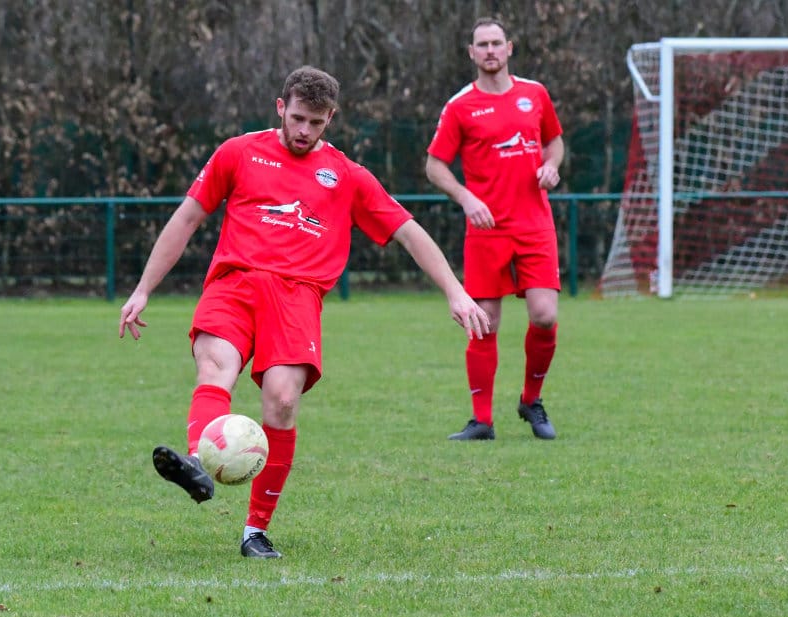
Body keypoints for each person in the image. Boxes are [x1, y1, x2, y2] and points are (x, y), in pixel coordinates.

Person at [118, 66, 490, 559]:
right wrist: (144, 289)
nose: (303, 130)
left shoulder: (347, 176)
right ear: (280, 107)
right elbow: (186, 218)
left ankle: (254, 531)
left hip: (297, 297)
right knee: (215, 365)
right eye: (296, 118)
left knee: (282, 401)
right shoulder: (238, 152)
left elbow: (408, 231)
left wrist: (455, 292)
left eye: (315, 122)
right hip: (234, 284)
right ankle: (196, 464)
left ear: (330, 118)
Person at [425, 17, 565, 441]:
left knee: (545, 316)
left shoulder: (534, 94)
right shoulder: (460, 106)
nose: (490, 50)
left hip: (534, 224)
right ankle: (482, 421)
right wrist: (466, 198)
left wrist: (552, 166)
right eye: (482, 44)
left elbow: (555, 142)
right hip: (486, 229)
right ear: (472, 53)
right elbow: (434, 166)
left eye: (496, 43)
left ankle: (531, 400)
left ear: (509, 48)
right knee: (484, 322)